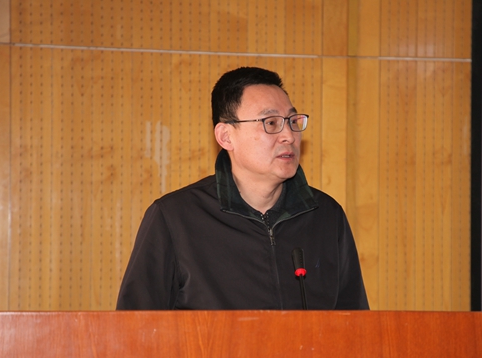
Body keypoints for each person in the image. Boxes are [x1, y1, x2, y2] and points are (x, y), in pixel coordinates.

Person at [116, 66, 369, 310]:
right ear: (226, 137)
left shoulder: (326, 216)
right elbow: (135, 328)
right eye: (271, 123)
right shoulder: (174, 219)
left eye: (293, 121)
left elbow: (355, 325)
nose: (289, 136)